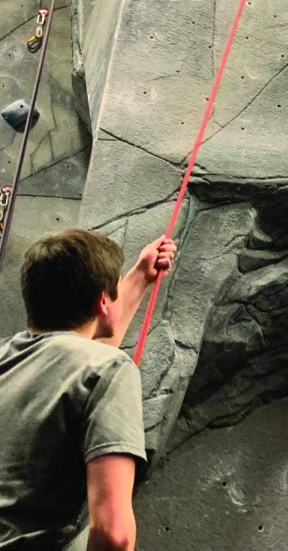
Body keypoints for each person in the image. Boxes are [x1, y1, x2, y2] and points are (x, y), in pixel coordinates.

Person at [0, 228, 176, 550]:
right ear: (102, 301)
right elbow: (113, 534)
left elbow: (77, 358)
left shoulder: (9, 358)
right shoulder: (109, 369)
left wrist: (139, 276)